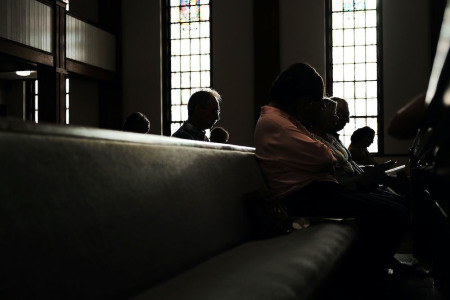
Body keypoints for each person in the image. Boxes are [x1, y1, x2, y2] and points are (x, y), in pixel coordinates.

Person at [254, 62, 410, 278]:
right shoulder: (275, 121)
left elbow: (323, 154)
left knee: (398, 205)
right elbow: (325, 156)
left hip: (319, 191)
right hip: (302, 198)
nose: (310, 107)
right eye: (310, 102)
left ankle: (372, 271)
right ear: (299, 98)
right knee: (395, 212)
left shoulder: (285, 119)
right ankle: (368, 278)